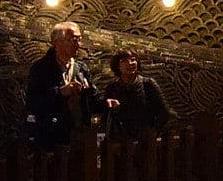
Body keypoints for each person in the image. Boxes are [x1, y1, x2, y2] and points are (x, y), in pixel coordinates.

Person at [24, 21, 100, 150]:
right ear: (56, 42)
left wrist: (95, 96)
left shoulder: (81, 68)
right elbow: (33, 102)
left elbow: (93, 100)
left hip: (78, 134)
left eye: (79, 39)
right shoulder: (41, 68)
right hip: (51, 135)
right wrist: (60, 92)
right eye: (73, 40)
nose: (79, 45)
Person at [102, 51, 171, 142]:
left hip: (144, 139)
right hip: (120, 139)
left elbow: (164, 111)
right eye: (124, 61)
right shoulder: (112, 87)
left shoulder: (148, 84)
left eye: (133, 60)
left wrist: (153, 131)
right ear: (117, 66)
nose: (130, 63)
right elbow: (105, 114)